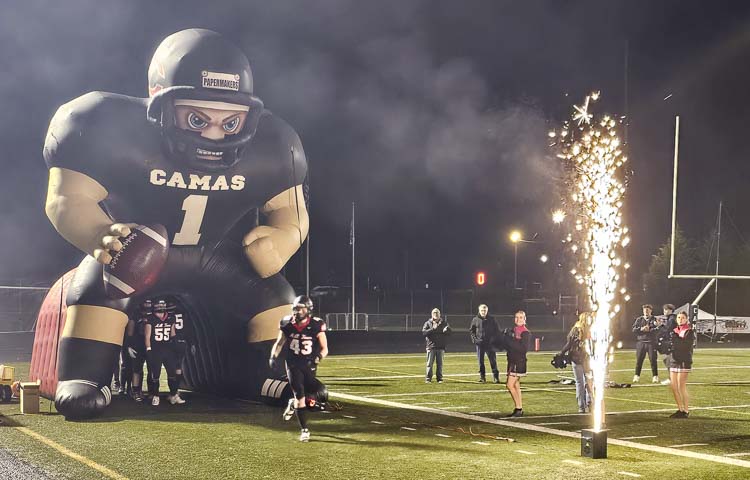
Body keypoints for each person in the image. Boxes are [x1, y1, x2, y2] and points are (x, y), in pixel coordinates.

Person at [43, 29, 308, 419]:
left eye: (230, 122)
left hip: (222, 257)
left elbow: (292, 213)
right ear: (156, 99)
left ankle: (272, 376)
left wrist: (281, 240)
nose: (214, 133)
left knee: (277, 298)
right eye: (197, 117)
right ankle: (86, 374)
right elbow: (67, 198)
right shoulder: (105, 126)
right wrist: (100, 234)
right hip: (138, 249)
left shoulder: (275, 143)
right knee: (100, 286)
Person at [268, 295, 328, 442]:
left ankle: (292, 403)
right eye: (295, 308)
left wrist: (318, 358)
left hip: (309, 364)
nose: (297, 312)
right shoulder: (287, 323)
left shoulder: (316, 325)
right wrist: (273, 357)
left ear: (308, 310)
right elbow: (279, 343)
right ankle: (304, 430)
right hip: (293, 364)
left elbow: (325, 348)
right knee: (300, 396)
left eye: (300, 309)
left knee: (312, 397)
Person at [144, 299, 184, 406]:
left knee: (172, 373)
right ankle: (156, 395)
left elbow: (172, 333)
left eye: (162, 304)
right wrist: (148, 349)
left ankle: (173, 395)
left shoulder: (170, 318)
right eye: (159, 304)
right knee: (155, 374)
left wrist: (176, 345)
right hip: (156, 349)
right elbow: (147, 336)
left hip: (168, 349)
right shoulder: (150, 318)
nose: (161, 306)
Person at [559, 313, 592, 413]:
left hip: (576, 359)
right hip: (588, 359)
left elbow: (569, 344)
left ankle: (581, 406)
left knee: (579, 383)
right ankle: (589, 402)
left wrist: (561, 352)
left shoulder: (575, 329)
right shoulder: (591, 329)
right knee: (589, 382)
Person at [666, 311, 695, 418]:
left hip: (684, 361)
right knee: (673, 387)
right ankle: (680, 409)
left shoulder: (689, 331)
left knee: (681, 386)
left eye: (683, 318)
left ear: (686, 319)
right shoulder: (674, 331)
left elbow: (685, 346)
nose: (680, 319)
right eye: (678, 317)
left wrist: (675, 338)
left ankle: (686, 411)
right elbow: (670, 345)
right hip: (674, 360)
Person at [504, 310, 531, 417]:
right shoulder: (513, 330)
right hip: (512, 361)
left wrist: (510, 340)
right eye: (516, 317)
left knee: (509, 385)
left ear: (524, 319)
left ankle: (518, 408)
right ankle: (519, 408)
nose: (518, 319)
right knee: (515, 385)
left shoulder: (526, 332)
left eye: (520, 317)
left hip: (518, 362)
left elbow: (523, 349)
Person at [469, 304, 500, 383]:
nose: (483, 312)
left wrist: (493, 340)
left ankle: (496, 377)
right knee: (481, 361)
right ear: (479, 311)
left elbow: (497, 331)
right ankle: (482, 377)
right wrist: (475, 340)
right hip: (480, 344)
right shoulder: (475, 319)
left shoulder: (492, 319)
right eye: (482, 310)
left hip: (490, 344)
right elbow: (471, 331)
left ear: (487, 311)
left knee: (493, 361)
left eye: (485, 310)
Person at [422, 308, 452, 383]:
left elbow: (450, 332)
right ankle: (428, 378)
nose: (436, 314)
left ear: (440, 314)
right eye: (434, 313)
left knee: (440, 364)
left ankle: (439, 379)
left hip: (441, 347)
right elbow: (424, 333)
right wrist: (432, 329)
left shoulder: (444, 323)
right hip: (431, 346)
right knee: (429, 364)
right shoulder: (428, 323)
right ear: (432, 314)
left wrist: (447, 330)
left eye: (437, 313)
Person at [632, 304, 660, 383]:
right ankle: (636, 376)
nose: (646, 312)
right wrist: (641, 329)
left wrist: (649, 329)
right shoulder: (639, 319)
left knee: (653, 360)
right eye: (645, 310)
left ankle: (655, 376)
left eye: (647, 310)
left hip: (651, 342)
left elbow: (658, 330)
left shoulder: (654, 319)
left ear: (651, 310)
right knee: (639, 360)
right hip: (641, 342)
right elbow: (634, 329)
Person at [658, 304, 677, 385]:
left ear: (671, 310)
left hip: (673, 343)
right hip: (673, 342)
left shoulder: (672, 319)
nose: (664, 311)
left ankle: (672, 379)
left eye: (666, 309)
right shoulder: (672, 318)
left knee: (669, 360)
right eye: (664, 309)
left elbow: (667, 329)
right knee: (667, 360)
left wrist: (660, 326)